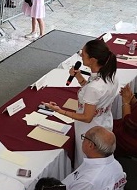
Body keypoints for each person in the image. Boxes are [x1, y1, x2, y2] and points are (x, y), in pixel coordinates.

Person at [47, 39, 119, 168]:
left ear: (92, 60)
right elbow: (92, 91)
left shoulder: (95, 86)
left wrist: (60, 111)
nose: (81, 55)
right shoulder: (109, 75)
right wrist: (79, 77)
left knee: (86, 161)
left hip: (89, 129)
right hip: (103, 122)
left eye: (83, 54)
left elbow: (87, 117)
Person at [61, 127, 126, 190]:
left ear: (91, 145)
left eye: (84, 138)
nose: (82, 141)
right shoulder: (116, 165)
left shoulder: (89, 182)